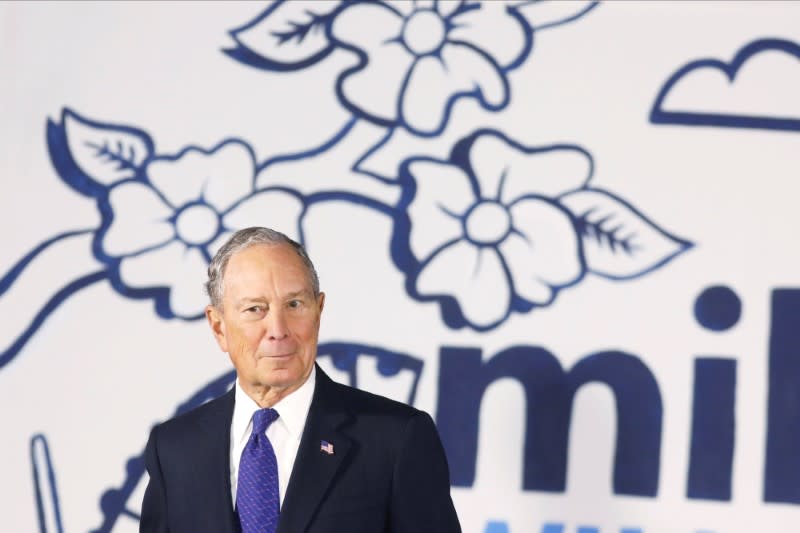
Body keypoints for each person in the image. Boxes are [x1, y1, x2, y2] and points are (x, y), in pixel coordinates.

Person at [140, 226, 462, 533]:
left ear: (318, 311)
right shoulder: (174, 450)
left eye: (294, 305)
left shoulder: (395, 440)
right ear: (218, 327)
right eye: (255, 309)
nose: (279, 330)